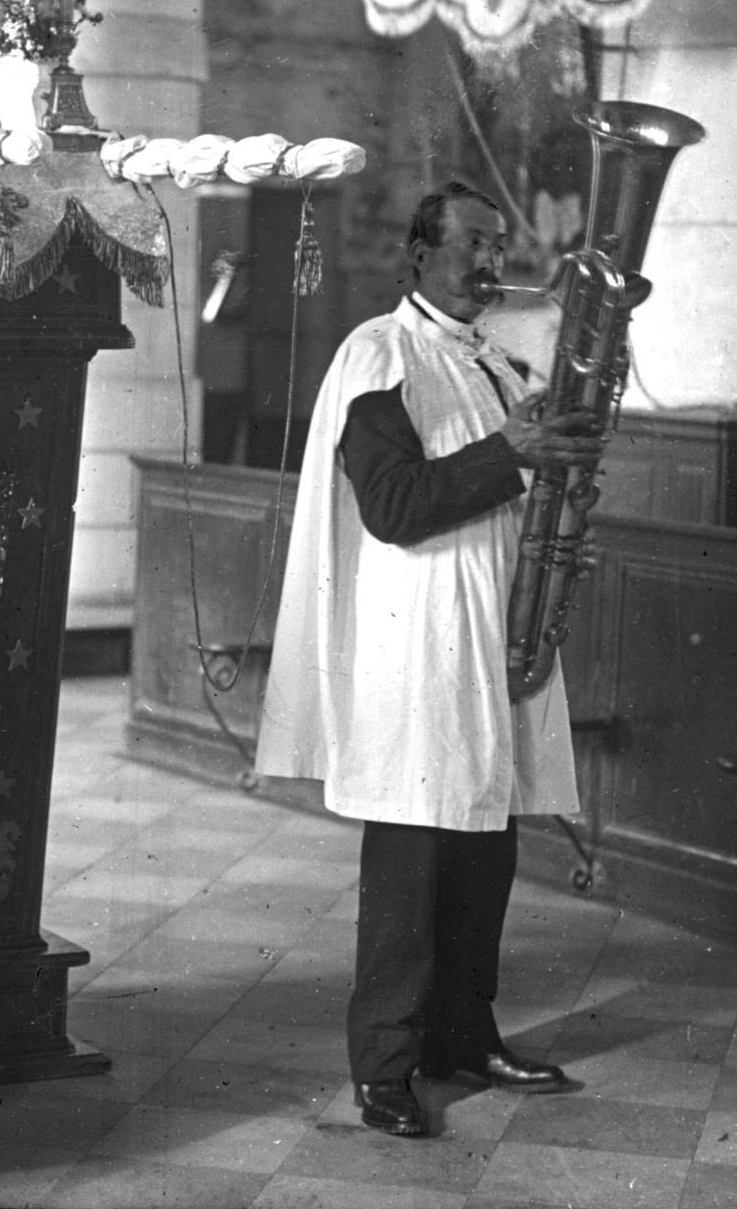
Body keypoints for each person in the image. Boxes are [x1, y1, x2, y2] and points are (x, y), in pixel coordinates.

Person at [254, 182, 604, 1139]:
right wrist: (512, 447)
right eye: (471, 248)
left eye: (497, 247)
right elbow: (397, 507)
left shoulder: (488, 356)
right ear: (417, 255)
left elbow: (504, 476)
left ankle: (465, 1034)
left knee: (484, 839)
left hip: (487, 626)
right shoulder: (380, 353)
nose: (489, 265)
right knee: (413, 856)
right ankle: (386, 1069)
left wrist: (556, 474)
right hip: (417, 640)